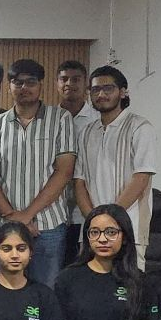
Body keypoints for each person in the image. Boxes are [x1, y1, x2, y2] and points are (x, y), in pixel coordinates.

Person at [0, 58, 79, 285]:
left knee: (46, 290)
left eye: (31, 82)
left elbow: (64, 172)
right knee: (5, 289)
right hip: (4, 224)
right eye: (18, 83)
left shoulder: (60, 118)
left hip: (48, 226)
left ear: (41, 85)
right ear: (9, 86)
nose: (24, 88)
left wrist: (26, 215)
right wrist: (12, 217)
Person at [74, 65, 156, 269]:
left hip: (130, 227)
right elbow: (79, 181)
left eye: (108, 88)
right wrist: (94, 220)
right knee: (91, 288)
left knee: (128, 290)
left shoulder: (140, 127)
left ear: (123, 92)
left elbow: (141, 178)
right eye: (95, 90)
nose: (101, 94)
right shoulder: (86, 132)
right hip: (92, 230)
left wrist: (109, 219)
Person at [55, 59, 93, 255]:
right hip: (53, 211)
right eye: (64, 79)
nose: (69, 84)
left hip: (85, 211)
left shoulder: (96, 119)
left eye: (76, 79)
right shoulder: (49, 119)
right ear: (57, 84)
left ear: (86, 84)